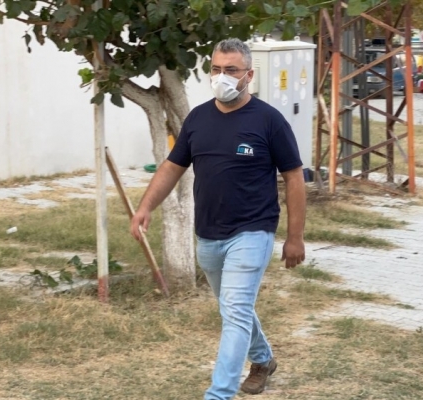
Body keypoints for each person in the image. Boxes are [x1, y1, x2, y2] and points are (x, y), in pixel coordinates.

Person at [130, 38, 306, 399]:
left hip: (253, 230)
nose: (221, 76)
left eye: (231, 70)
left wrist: (295, 237)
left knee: (235, 309)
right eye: (215, 69)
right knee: (232, 308)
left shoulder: (269, 121)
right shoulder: (198, 118)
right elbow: (172, 167)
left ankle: (219, 393)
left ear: (249, 75)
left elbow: (293, 177)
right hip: (209, 234)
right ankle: (263, 360)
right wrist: (145, 206)